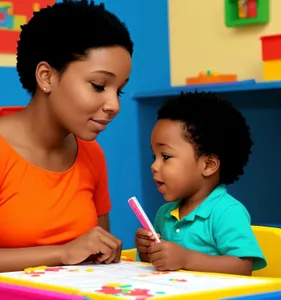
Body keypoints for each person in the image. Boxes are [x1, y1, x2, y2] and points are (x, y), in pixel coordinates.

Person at [0, 0, 133, 272]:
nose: (114, 105)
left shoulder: (91, 154)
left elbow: (97, 254)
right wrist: (63, 252)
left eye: (118, 91)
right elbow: (71, 253)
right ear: (46, 76)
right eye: (99, 86)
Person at [135, 91, 267, 275]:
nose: (154, 166)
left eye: (165, 156)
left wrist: (186, 258)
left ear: (209, 165)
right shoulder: (164, 214)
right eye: (154, 156)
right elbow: (164, 264)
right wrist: (147, 251)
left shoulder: (226, 212)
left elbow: (242, 267)